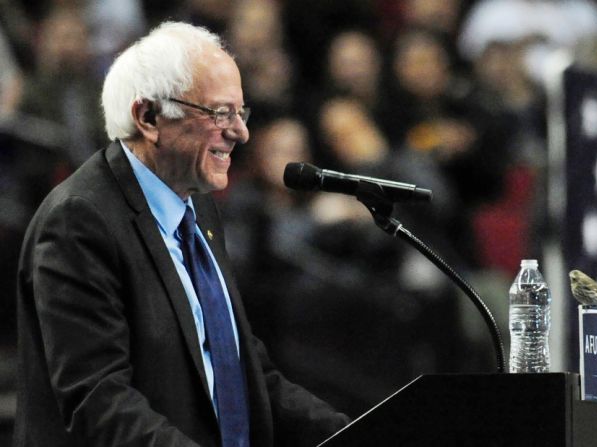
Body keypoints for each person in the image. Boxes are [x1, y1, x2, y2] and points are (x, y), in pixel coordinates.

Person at [14, 21, 349, 447]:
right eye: (219, 113)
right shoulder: (78, 221)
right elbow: (98, 400)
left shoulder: (198, 207)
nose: (240, 132)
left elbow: (243, 373)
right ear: (149, 117)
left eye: (240, 113)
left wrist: (355, 435)